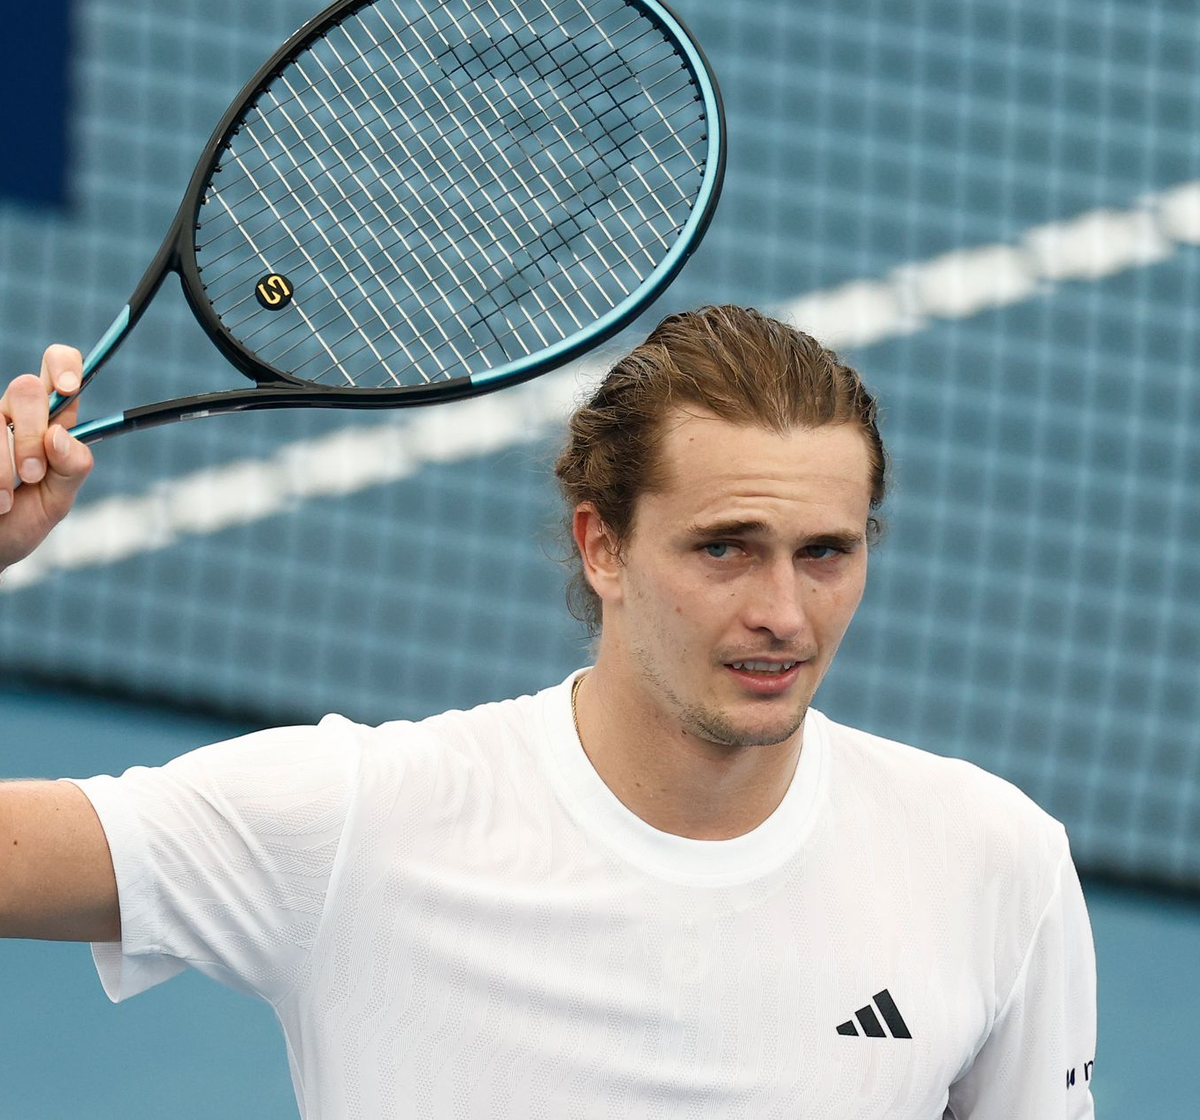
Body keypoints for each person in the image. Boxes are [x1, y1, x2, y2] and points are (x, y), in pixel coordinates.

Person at [0, 305, 1096, 1118]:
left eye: (826, 554)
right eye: (725, 547)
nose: (782, 612)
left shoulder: (994, 863)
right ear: (602, 545)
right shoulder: (355, 825)